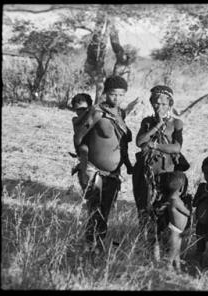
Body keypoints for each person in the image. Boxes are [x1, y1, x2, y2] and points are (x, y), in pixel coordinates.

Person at [73, 76, 133, 254]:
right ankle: (88, 246)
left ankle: (98, 245)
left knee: (105, 212)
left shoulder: (120, 114)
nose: (117, 98)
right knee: (94, 210)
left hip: (113, 174)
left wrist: (128, 164)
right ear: (106, 93)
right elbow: (78, 138)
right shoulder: (97, 112)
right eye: (113, 94)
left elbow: (122, 144)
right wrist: (84, 165)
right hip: (94, 171)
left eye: (121, 95)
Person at [132, 85, 184, 251]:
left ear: (170, 104)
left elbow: (176, 148)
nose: (159, 107)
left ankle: (164, 248)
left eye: (163, 104)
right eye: (156, 103)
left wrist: (154, 145)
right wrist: (156, 126)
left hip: (166, 174)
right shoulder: (147, 122)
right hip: (145, 173)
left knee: (164, 211)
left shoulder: (176, 123)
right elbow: (140, 142)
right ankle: (149, 249)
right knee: (145, 210)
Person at [159, 171, 191, 270]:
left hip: (177, 231)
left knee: (176, 251)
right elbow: (187, 212)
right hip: (175, 231)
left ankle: (177, 267)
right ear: (181, 188)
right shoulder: (175, 201)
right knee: (173, 252)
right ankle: (169, 267)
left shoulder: (172, 199)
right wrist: (189, 204)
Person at [192, 156, 208, 266]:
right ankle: (197, 265)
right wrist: (203, 197)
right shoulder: (202, 187)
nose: (207, 176)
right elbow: (194, 203)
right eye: (205, 173)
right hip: (201, 223)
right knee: (200, 245)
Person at [69, 93, 93, 187]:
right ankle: (83, 175)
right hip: (82, 145)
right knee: (84, 150)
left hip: (93, 145)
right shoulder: (75, 119)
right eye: (77, 109)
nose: (80, 112)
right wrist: (88, 111)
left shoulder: (92, 117)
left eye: (83, 109)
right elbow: (79, 121)